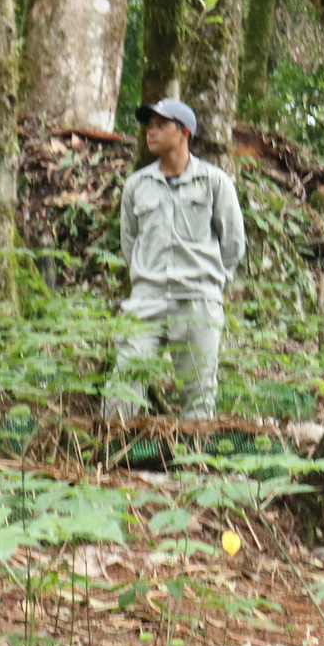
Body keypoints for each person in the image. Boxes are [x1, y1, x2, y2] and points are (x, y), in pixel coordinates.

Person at [102, 98, 246, 421]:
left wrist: (211, 283)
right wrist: (146, 274)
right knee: (123, 385)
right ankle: (113, 461)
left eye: (159, 125)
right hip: (146, 299)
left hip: (197, 300)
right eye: (148, 126)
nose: (150, 132)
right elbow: (130, 241)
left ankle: (192, 468)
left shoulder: (214, 182)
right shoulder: (137, 185)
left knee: (198, 394)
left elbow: (234, 243)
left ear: (183, 131)